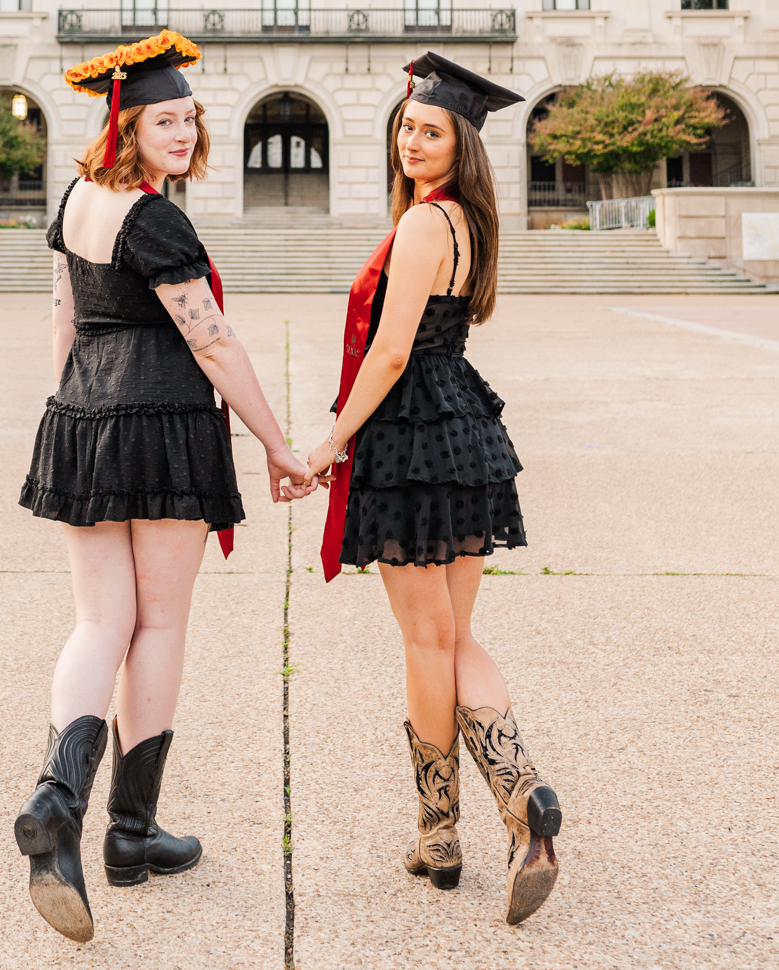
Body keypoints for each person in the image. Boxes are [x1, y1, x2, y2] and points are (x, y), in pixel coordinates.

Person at [15, 31, 313, 943]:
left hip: (85, 418)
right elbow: (211, 340)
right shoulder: (156, 219)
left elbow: (64, 314)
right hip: (164, 426)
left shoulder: (74, 203)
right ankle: (131, 830)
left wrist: (70, 406)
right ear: (126, 125)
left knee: (97, 622)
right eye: (163, 120)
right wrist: (277, 444)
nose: (181, 133)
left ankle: (59, 802)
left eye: (189, 119)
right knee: (160, 623)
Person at [305, 52, 563, 929]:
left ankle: (443, 832)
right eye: (407, 126)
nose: (411, 141)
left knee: (424, 640)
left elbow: (388, 352)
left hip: (411, 436)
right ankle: (521, 801)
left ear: (461, 145)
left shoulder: (422, 226)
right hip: (466, 427)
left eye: (430, 130)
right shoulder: (471, 224)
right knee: (451, 636)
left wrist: (329, 443)